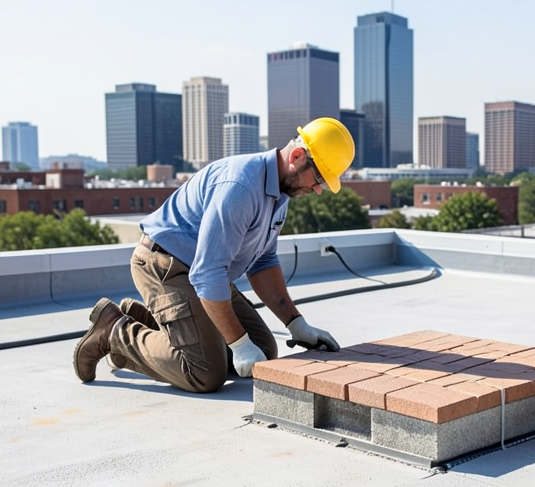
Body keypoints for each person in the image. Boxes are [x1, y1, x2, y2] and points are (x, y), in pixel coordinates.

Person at [73, 117, 355, 393]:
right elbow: (207, 273)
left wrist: (296, 323)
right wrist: (239, 345)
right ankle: (113, 331)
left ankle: (144, 320)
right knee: (206, 372)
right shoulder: (242, 186)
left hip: (202, 271)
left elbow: (264, 263)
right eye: (318, 178)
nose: (318, 189)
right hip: (165, 266)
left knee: (264, 350)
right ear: (296, 156)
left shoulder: (280, 195)